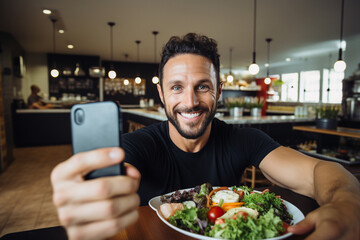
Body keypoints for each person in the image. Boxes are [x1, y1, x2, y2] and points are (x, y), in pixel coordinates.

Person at [51, 33, 360, 240]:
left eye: (202, 85)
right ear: (161, 93)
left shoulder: (244, 140)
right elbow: (96, 185)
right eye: (176, 87)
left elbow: (320, 171)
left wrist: (347, 202)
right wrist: (83, 196)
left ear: (219, 91)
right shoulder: (140, 145)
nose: (191, 101)